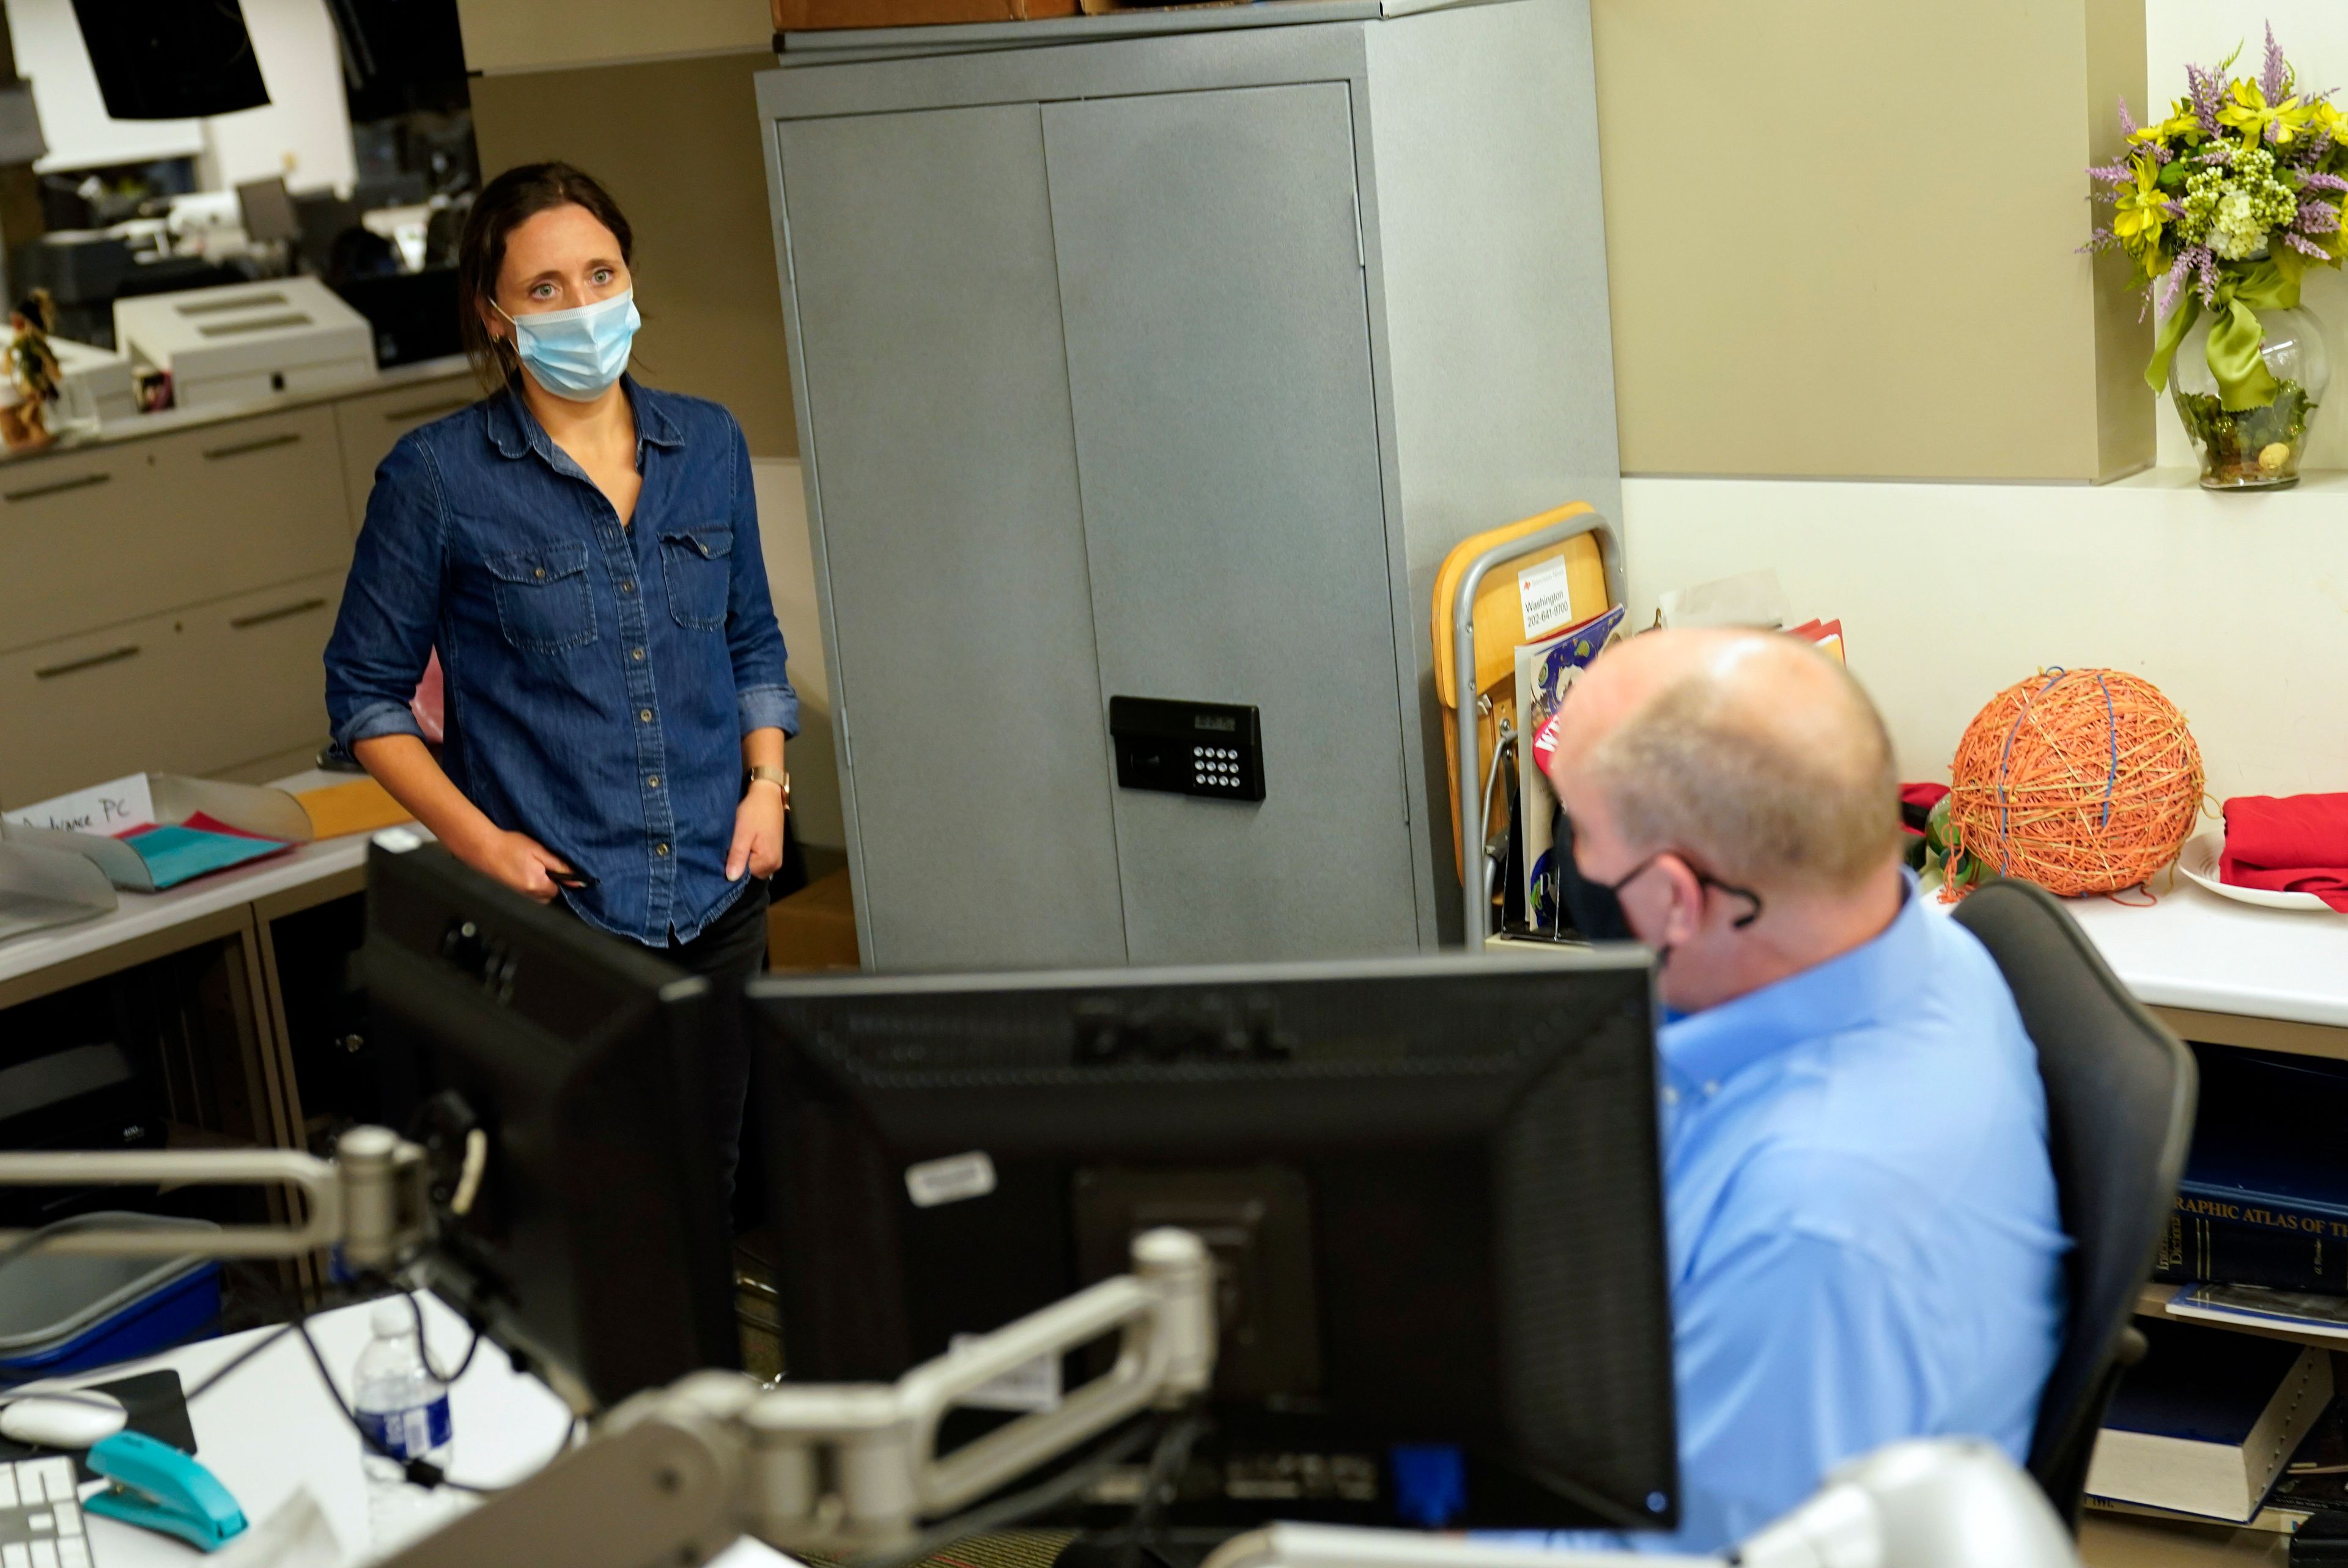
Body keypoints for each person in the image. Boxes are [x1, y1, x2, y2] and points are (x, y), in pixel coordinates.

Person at [1531, 628, 2067, 1553]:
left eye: (1578, 828)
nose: (1570, 857)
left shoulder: (1816, 1235)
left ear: (1672, 901)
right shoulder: (1908, 941)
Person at [323, 163, 796, 1204]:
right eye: (545, 289)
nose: (583, 307)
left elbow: (753, 642)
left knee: (706, 1183)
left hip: (721, 894)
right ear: (496, 317)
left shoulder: (707, 441)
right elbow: (364, 694)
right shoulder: (438, 477)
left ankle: (698, 1369)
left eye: (600, 274)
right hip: (563, 916)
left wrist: (768, 787)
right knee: (589, 1205)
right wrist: (479, 844)